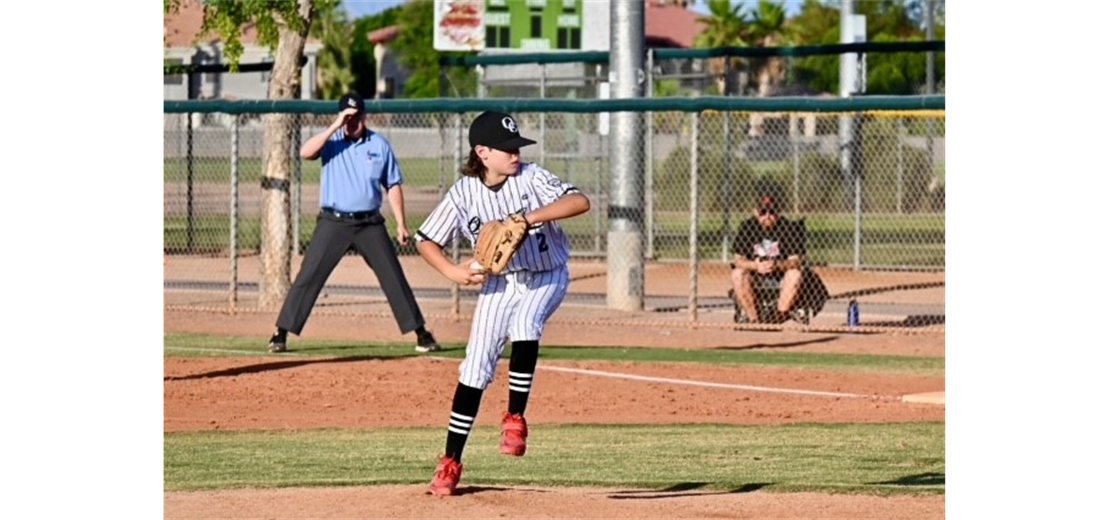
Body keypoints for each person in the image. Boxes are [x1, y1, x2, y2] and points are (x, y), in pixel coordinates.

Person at [414, 111, 590, 496]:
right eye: (507, 148)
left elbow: (580, 202)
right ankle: (450, 461)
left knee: (526, 325)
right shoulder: (463, 193)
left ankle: (515, 418)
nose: (516, 153)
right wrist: (452, 272)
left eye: (517, 146)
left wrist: (529, 217)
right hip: (498, 284)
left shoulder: (532, 177)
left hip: (547, 275)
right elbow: (425, 239)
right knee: (474, 369)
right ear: (483, 152)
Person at [266, 92, 440, 354]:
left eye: (357, 116)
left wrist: (401, 223)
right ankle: (281, 332)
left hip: (369, 223)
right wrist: (336, 124)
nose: (352, 121)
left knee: (393, 276)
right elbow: (305, 153)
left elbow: (392, 184)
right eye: (348, 117)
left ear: (365, 116)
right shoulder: (332, 140)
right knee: (309, 275)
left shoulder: (379, 145)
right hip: (333, 221)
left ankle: (421, 333)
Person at [729, 194, 807, 324]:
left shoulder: (790, 228)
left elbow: (796, 261)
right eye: (763, 211)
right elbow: (738, 260)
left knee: (795, 275)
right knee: (737, 274)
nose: (767, 216)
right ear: (756, 212)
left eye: (772, 211)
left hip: (781, 275)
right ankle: (754, 319)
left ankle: (777, 319)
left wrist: (777, 265)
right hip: (755, 275)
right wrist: (756, 266)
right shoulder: (747, 227)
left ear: (779, 212)